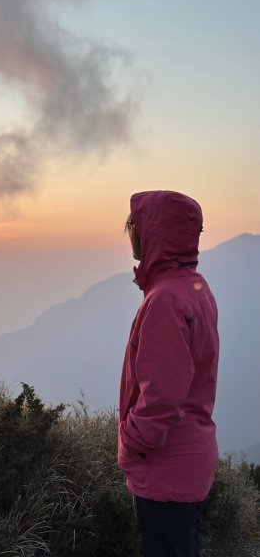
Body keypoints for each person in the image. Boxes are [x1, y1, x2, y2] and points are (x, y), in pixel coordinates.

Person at [118, 190, 219, 557]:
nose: (131, 234)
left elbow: (161, 400)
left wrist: (130, 444)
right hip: (189, 460)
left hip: (164, 469)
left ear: (153, 233)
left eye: (135, 226)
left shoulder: (165, 301)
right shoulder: (194, 288)